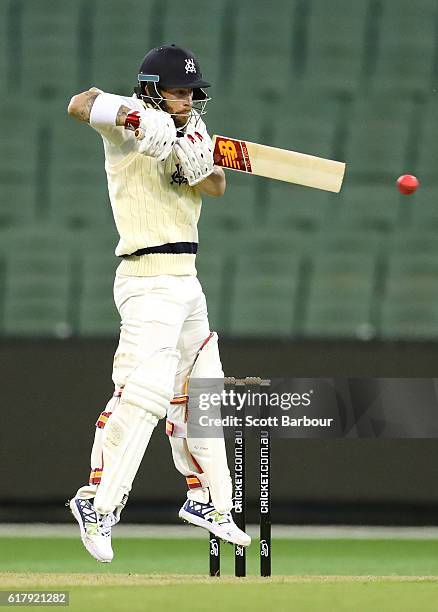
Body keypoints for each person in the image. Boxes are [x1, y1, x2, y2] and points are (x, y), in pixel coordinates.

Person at [66, 44, 250, 563]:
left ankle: (208, 500)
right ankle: (97, 503)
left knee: (203, 396)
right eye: (177, 91)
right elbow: (81, 102)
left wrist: (200, 167)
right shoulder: (128, 124)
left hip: (187, 280)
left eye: (192, 92)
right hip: (146, 277)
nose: (187, 100)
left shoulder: (193, 131)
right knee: (144, 395)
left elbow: (216, 187)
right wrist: (136, 119)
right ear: (151, 89)